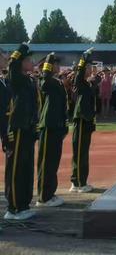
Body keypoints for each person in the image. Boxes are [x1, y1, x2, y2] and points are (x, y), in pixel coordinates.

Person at [4, 43, 38, 220]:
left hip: (27, 128)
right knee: (16, 169)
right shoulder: (15, 78)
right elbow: (11, 67)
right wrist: (20, 50)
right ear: (21, 62)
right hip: (17, 128)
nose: (32, 62)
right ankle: (13, 207)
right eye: (28, 59)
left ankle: (23, 204)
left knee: (26, 168)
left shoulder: (29, 80)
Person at [36, 52, 68, 208]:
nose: (58, 65)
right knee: (46, 162)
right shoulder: (47, 81)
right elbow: (44, 82)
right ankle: (43, 196)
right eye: (55, 63)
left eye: (57, 63)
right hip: (48, 125)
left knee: (53, 161)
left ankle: (50, 193)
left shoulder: (57, 81)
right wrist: (47, 61)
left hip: (56, 125)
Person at [70, 48, 96, 193]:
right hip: (81, 119)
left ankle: (78, 180)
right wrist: (84, 58)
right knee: (80, 152)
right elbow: (78, 76)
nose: (91, 69)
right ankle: (79, 183)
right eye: (88, 67)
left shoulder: (86, 84)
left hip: (86, 119)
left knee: (82, 151)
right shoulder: (80, 82)